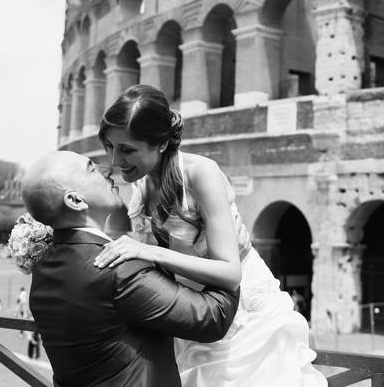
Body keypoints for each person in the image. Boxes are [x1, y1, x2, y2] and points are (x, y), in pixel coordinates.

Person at [95, 84, 326, 386]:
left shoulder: (201, 172)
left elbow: (230, 273)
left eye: (126, 149)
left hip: (242, 316)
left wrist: (148, 251)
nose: (115, 161)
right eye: (109, 147)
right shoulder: (139, 183)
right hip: (189, 314)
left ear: (161, 144)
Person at [21, 150, 240, 387]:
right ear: (75, 200)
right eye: (91, 169)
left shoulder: (42, 268)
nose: (107, 170)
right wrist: (229, 253)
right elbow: (214, 317)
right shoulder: (118, 269)